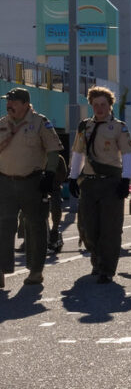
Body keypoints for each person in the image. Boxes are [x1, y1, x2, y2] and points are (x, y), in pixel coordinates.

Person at [68, 86, 131, 284]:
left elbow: (128, 155)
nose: (99, 108)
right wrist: (73, 177)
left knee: (110, 229)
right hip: (89, 183)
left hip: (111, 183)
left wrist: (125, 180)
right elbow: (78, 153)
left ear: (109, 105)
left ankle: (106, 269)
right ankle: (96, 260)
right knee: (88, 228)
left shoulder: (119, 127)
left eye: (103, 104)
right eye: (95, 104)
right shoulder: (85, 126)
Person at [0, 88, 63, 287]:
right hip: (5, 183)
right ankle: (2, 269)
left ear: (25, 103)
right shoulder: (2, 124)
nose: (9, 105)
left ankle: (35, 270)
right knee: (3, 227)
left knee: (35, 226)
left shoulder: (40, 123)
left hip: (32, 182)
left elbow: (53, 150)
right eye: (8, 102)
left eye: (13, 102)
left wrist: (50, 174)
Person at [47, 153, 68, 253]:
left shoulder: (58, 158)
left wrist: (54, 182)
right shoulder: (36, 155)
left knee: (56, 208)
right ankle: (27, 239)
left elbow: (63, 173)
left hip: (54, 189)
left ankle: (54, 232)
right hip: (38, 189)